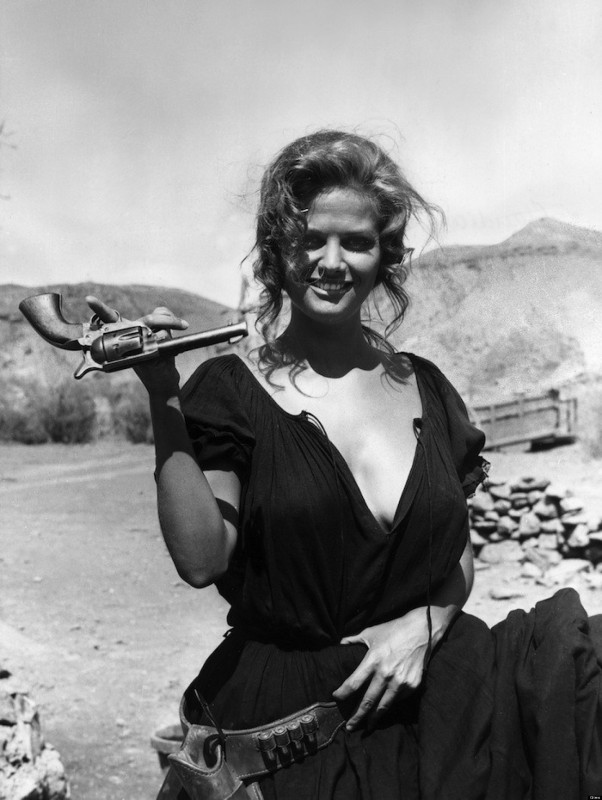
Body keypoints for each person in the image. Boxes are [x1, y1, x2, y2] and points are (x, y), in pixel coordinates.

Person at [87, 130, 602, 800]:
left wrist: (425, 625)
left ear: (385, 254)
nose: (331, 262)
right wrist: (163, 395)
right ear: (279, 251)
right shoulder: (230, 390)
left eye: (355, 241)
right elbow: (202, 560)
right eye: (311, 240)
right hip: (297, 736)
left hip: (444, 717)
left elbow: (456, 556)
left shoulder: (428, 388)